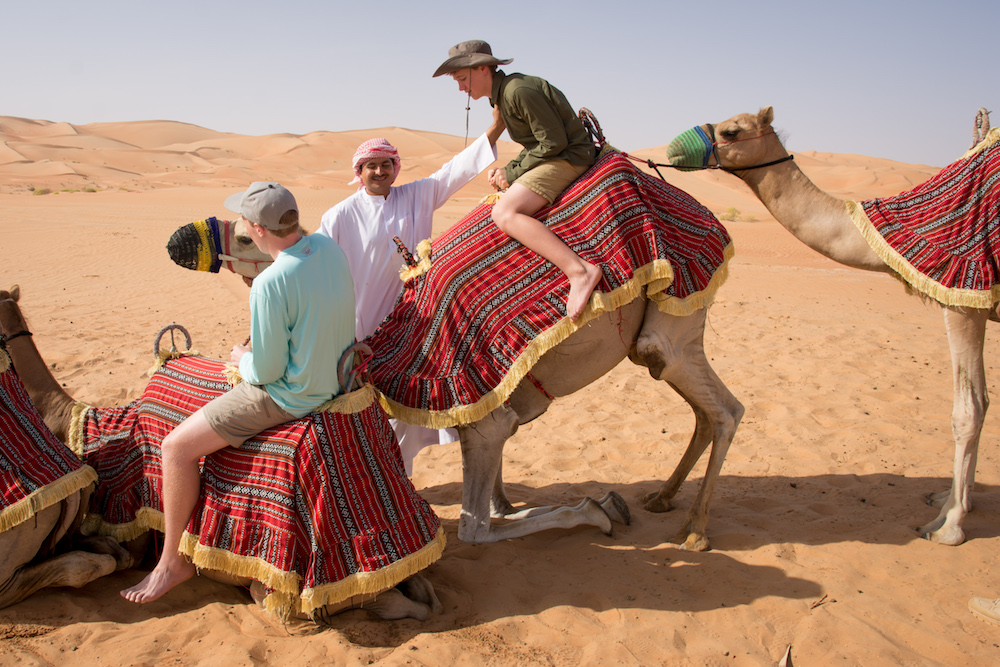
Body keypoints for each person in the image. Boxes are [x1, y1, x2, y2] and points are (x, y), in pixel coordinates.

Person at [121, 182, 355, 604]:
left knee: (175, 448)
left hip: (292, 395)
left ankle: (171, 562)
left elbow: (267, 371)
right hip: (336, 377)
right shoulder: (327, 247)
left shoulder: (271, 281)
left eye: (243, 221)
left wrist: (240, 356)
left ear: (254, 228)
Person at [318, 117, 504, 475]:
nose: (379, 171)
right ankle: (378, 475)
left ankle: (395, 475)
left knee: (406, 399)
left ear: (395, 167)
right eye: (371, 165)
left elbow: (455, 171)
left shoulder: (416, 195)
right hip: (362, 323)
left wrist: (495, 129)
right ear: (359, 171)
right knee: (365, 402)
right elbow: (317, 264)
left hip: (413, 322)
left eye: (386, 164)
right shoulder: (339, 215)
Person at [433, 39, 603, 322]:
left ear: (483, 68)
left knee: (504, 212)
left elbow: (554, 141)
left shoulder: (517, 91)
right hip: (558, 154)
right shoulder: (505, 95)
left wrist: (511, 173)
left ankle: (579, 271)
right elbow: (539, 143)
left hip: (571, 156)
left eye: (463, 79)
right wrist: (509, 169)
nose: (461, 88)